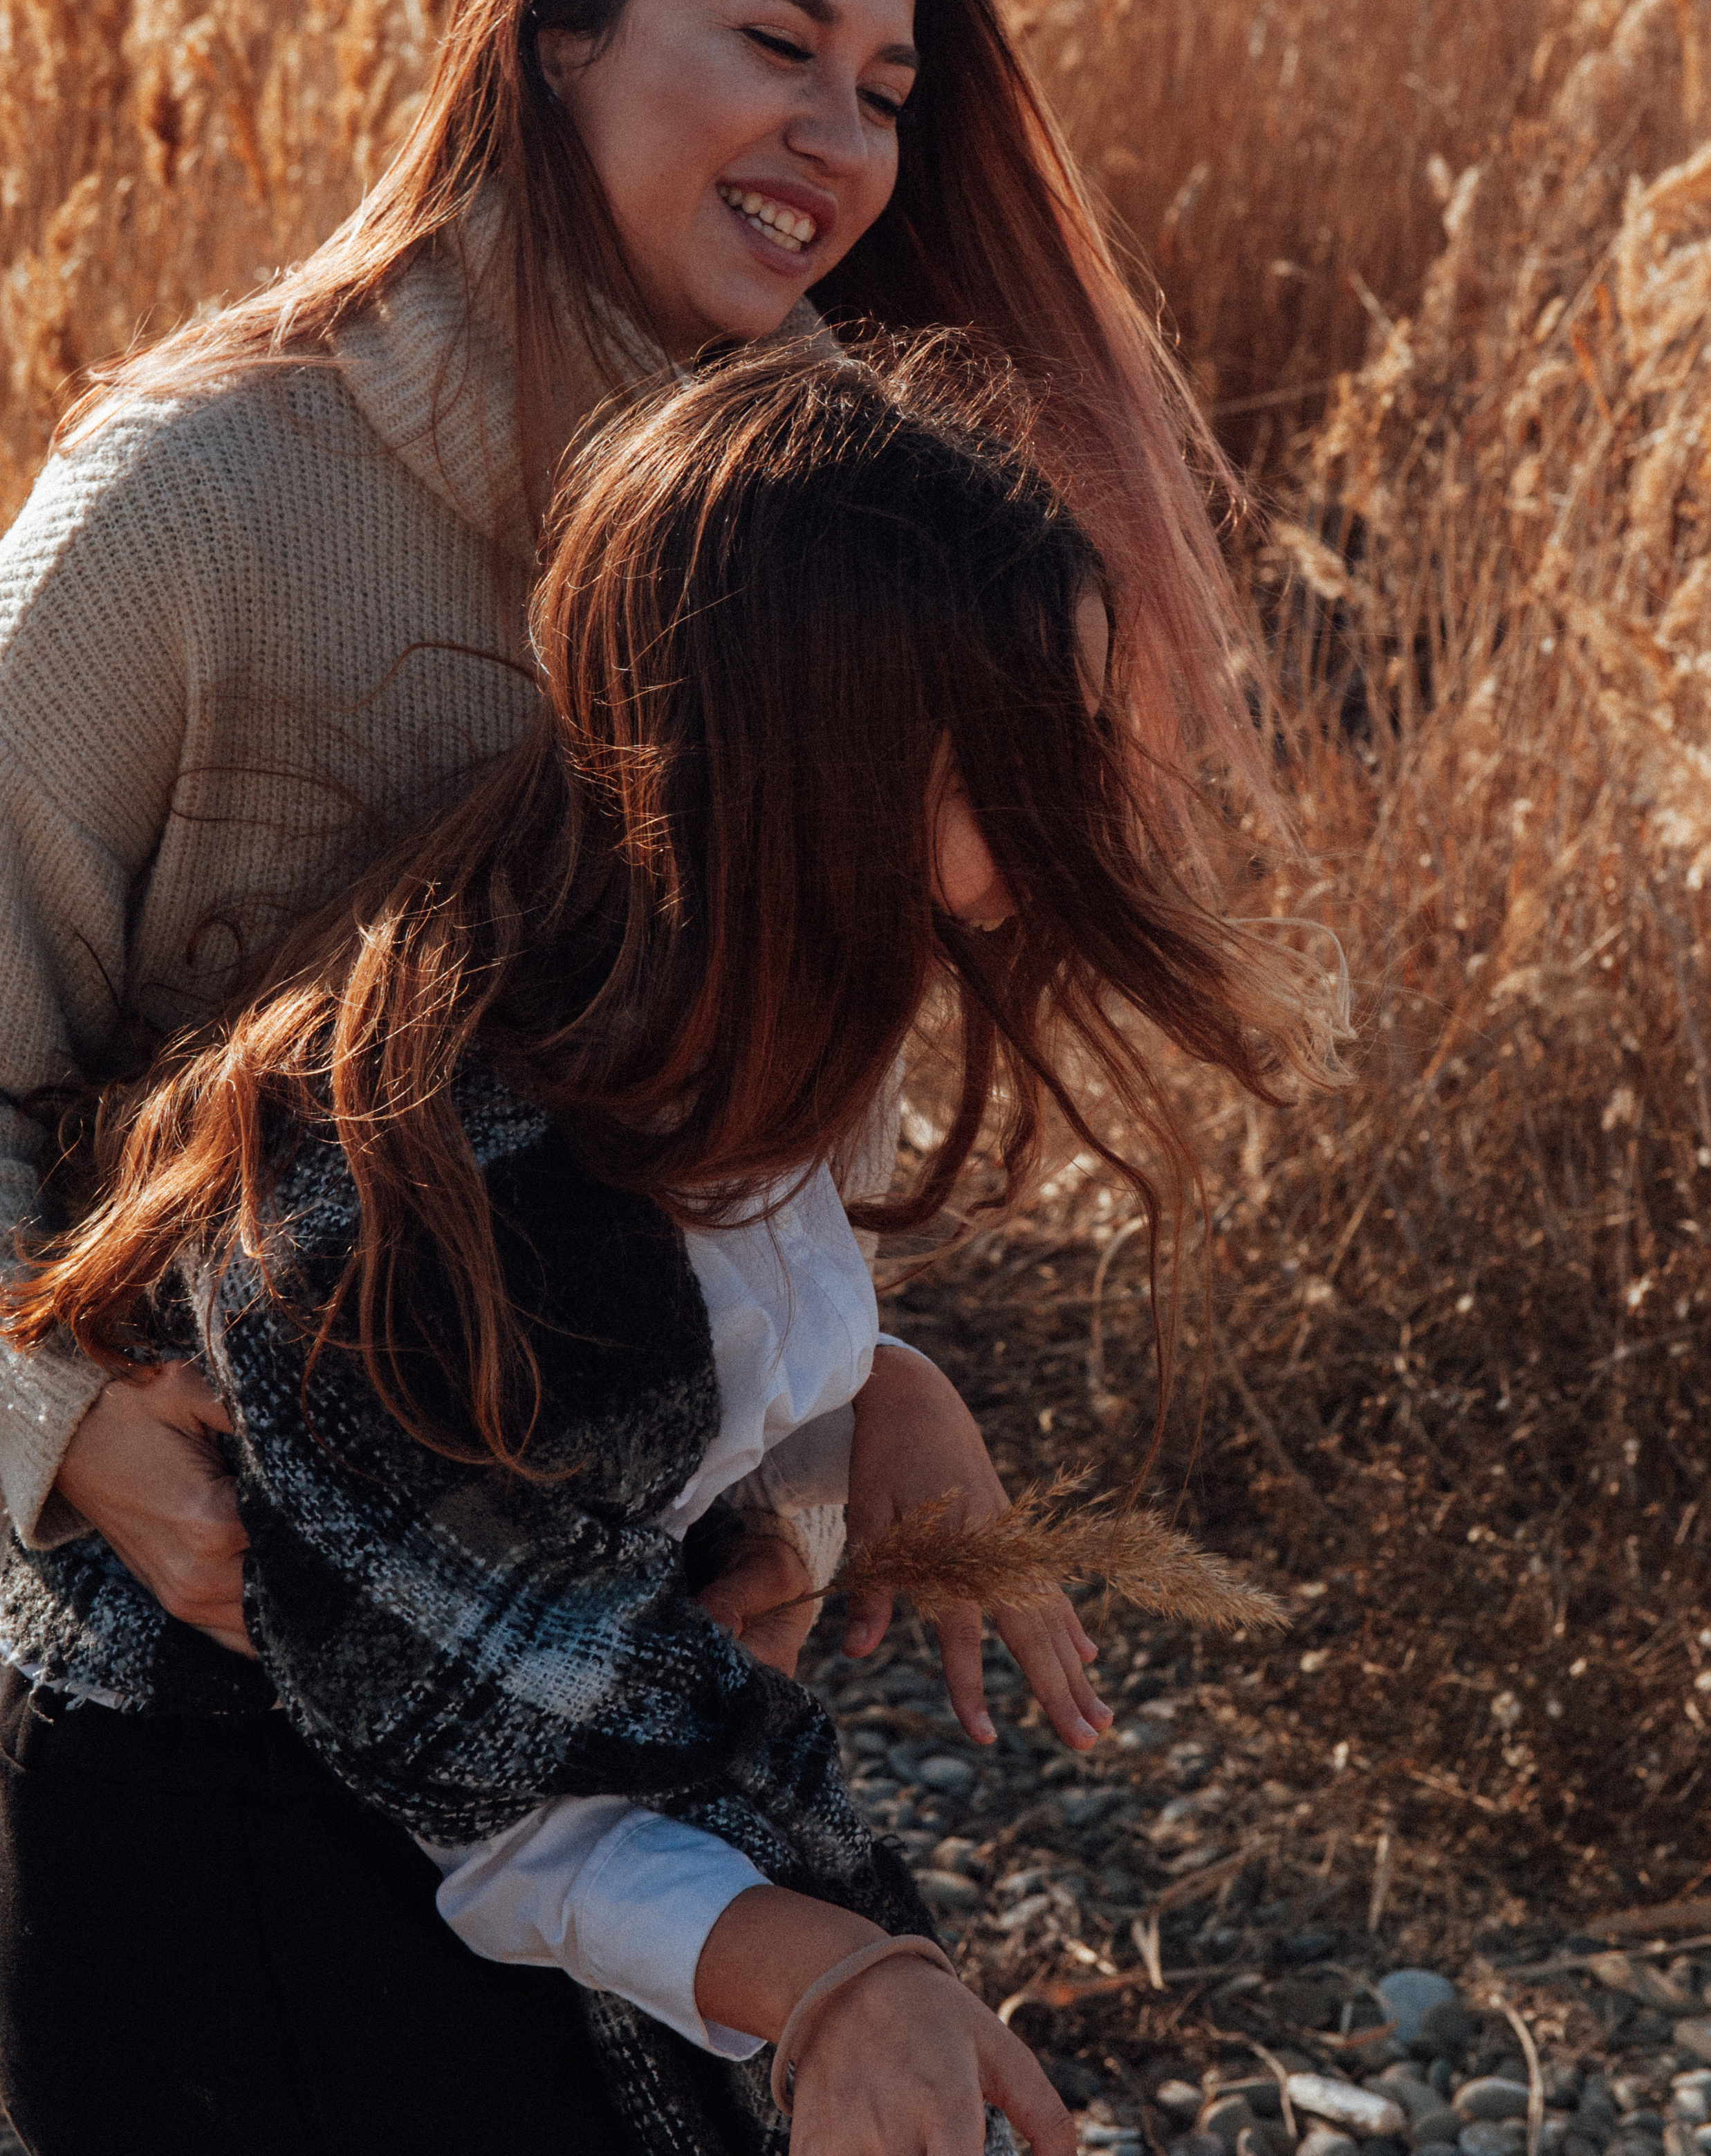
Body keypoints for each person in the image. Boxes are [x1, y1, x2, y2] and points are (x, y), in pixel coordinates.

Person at [0, 0, 1275, 1715]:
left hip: (622, 1702)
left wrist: (850, 1419)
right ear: (557, 30)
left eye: (883, 93)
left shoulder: (860, 576)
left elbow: (747, 1177)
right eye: (779, 42)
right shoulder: (207, 494)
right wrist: (53, 1417)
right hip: (188, 1667)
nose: (841, 142)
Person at [0, 353, 1315, 2155]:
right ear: (833, 770)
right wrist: (852, 1970)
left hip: (461, 1802)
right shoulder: (466, 1215)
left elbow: (703, 1445)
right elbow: (535, 1773)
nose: (1090, 794)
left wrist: (866, 1410)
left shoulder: (743, 1046)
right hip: (238, 1863)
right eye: (1031, 743)